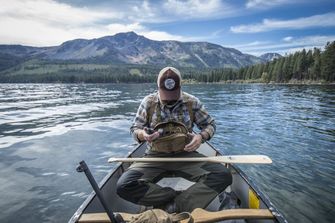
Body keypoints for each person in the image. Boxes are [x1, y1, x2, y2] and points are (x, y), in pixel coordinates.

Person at [116, 67, 232, 213]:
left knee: (223, 175)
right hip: (154, 157)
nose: (170, 99)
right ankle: (171, 197)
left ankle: (177, 206)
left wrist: (200, 137)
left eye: (173, 94)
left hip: (186, 155)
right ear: (157, 88)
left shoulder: (192, 102)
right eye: (166, 95)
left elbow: (210, 125)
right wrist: (142, 135)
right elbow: (134, 129)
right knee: (123, 185)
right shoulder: (148, 102)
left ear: (180, 88)